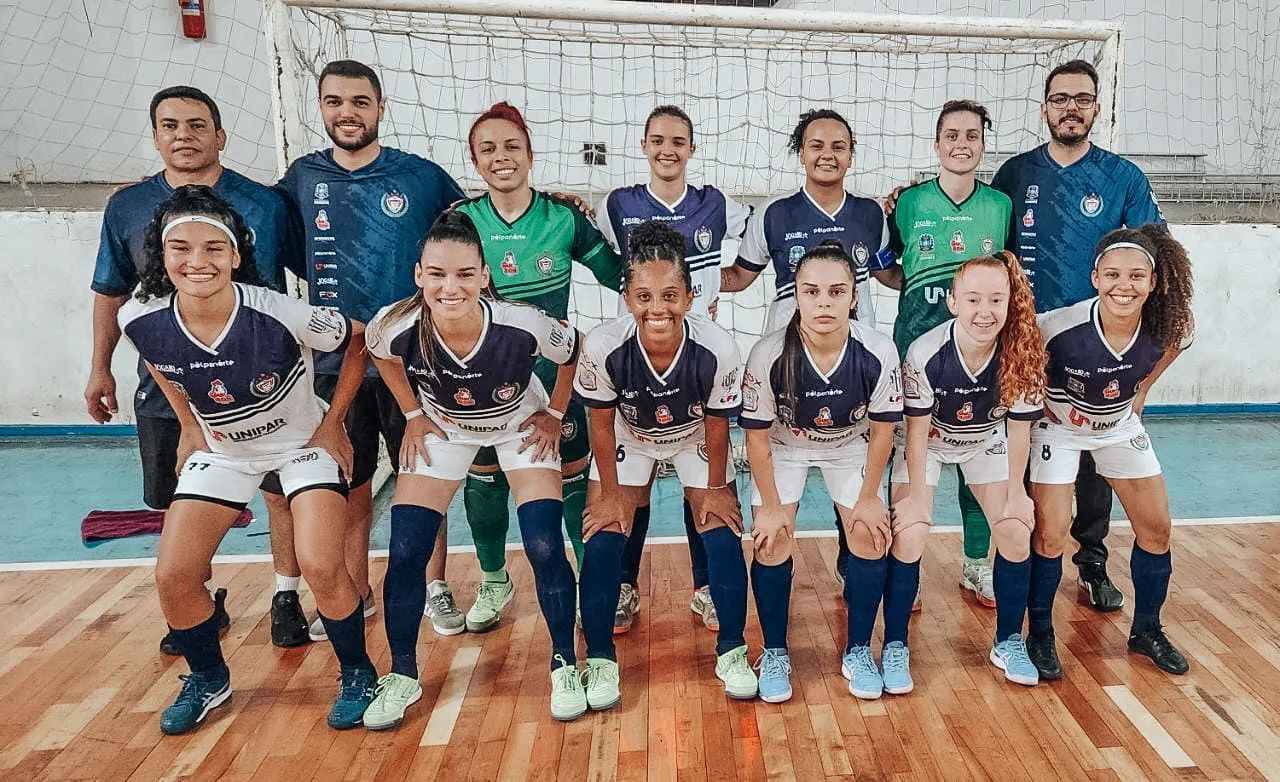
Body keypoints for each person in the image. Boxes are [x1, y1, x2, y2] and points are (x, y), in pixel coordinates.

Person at [118, 186, 376, 734]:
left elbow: (358, 340)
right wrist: (189, 424)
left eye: (214, 248)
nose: (197, 261)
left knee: (323, 565)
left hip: (303, 445)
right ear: (162, 256)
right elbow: (158, 360)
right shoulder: (140, 317)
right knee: (175, 576)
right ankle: (209, 678)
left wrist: (335, 425)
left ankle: (358, 672)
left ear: (236, 255)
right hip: (228, 453)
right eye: (181, 249)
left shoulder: (278, 312)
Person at [85, 85, 309, 651]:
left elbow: (303, 273)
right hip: (169, 384)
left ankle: (286, 594)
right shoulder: (128, 206)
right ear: (155, 135)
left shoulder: (265, 202)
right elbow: (111, 292)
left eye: (196, 125)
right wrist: (100, 368)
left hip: (265, 385)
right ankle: (198, 601)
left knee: (280, 492)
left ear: (220, 136)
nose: (183, 135)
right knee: (177, 494)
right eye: (169, 125)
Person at [360, 210, 586, 728]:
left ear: (485, 276)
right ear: (419, 275)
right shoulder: (394, 325)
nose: (450, 286)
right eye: (437, 274)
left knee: (545, 544)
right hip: (446, 430)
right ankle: (402, 675)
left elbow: (571, 351)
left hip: (518, 426)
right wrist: (413, 415)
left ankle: (563, 665)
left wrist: (553, 412)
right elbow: (382, 358)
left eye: (464, 274)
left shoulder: (522, 323)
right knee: (405, 549)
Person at [275, 60, 467, 639]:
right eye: (335, 102)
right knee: (349, 484)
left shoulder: (421, 177)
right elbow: (273, 242)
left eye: (360, 102)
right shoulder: (301, 180)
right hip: (335, 363)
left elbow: (475, 224)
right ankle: (355, 593)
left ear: (381, 108)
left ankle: (434, 587)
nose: (347, 113)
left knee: (421, 479)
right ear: (322, 108)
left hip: (416, 356)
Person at [990, 59, 1166, 611]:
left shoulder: (1123, 178)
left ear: (1097, 108)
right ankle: (1001, 556)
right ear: (1044, 108)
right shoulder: (1015, 175)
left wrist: (1145, 369)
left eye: (1082, 98)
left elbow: (1154, 258)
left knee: (1096, 452)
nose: (1071, 107)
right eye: (1060, 98)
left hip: (1100, 342)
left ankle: (1090, 560)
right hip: (1027, 343)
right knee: (1019, 451)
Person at [450, 101, 625, 634]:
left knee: (571, 481)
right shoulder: (460, 221)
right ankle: (494, 578)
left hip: (553, 383)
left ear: (530, 153)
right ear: (476, 162)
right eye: (488, 149)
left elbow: (619, 276)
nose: (501, 157)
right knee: (484, 484)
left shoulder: (563, 218)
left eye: (511, 146)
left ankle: (586, 586)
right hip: (476, 380)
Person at [575, 221, 754, 705]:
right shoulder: (603, 345)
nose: (659, 308)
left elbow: (718, 425)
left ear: (691, 297)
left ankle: (732, 650)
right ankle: (600, 659)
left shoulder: (717, 348)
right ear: (628, 296)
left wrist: (715, 489)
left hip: (693, 433)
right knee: (606, 533)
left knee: (720, 528)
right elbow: (599, 423)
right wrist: (611, 493)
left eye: (671, 295)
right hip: (629, 437)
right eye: (645, 296)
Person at [722, 108, 899, 581]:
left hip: (850, 358)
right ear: (801, 153)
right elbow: (739, 276)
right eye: (817, 145)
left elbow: (888, 273)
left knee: (851, 445)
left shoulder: (870, 215)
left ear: (851, 156)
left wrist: (951, 279)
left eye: (838, 146)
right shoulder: (774, 214)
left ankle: (852, 556)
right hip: (790, 360)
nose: (827, 154)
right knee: (787, 450)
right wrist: (683, 288)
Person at [594, 105, 751, 633]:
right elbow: (595, 252)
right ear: (643, 145)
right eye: (658, 139)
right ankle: (622, 586)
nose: (668, 149)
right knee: (629, 492)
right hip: (636, 362)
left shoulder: (719, 204)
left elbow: (753, 257)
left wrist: (711, 293)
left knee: (701, 483)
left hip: (693, 356)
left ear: (692, 147)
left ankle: (707, 588)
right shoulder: (616, 205)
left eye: (678, 140)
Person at [1025, 225, 1194, 680]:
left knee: (1157, 530)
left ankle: (1146, 630)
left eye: (1137, 276)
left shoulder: (1166, 325)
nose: (1125, 286)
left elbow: (1177, 345)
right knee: (1051, 535)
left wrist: (1141, 392)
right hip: (1060, 431)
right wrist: (1046, 406)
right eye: (1114, 275)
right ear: (1096, 277)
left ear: (1153, 283)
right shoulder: (1058, 326)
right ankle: (1039, 633)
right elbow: (1019, 361)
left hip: (1119, 427)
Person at [739, 242, 901, 703]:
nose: (824, 302)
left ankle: (857, 651)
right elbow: (756, 439)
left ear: (854, 296)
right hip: (785, 448)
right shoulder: (768, 353)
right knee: (770, 541)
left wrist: (869, 498)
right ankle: (774, 651)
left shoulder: (876, 350)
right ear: (795, 295)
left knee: (869, 534)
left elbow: (884, 431)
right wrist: (771, 508)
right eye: (811, 292)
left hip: (850, 446)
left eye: (836, 291)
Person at [891, 252, 1046, 692]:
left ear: (1009, 301)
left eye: (996, 300)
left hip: (984, 441)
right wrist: (918, 496)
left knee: (1016, 529)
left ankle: (1009, 641)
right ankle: (897, 644)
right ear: (954, 302)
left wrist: (1017, 493)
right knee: (911, 530)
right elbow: (917, 433)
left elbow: (1019, 432)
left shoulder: (1023, 350)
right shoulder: (926, 351)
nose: (985, 311)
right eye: (974, 299)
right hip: (931, 442)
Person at [883, 100, 1014, 609]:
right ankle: (906, 569)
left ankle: (976, 566)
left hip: (982, 352)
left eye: (973, 136)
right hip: (916, 351)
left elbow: (1008, 275)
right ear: (937, 143)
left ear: (983, 144)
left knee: (976, 459)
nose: (963, 144)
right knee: (912, 463)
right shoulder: (909, 203)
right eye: (953, 135)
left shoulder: (1000, 206)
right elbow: (886, 265)